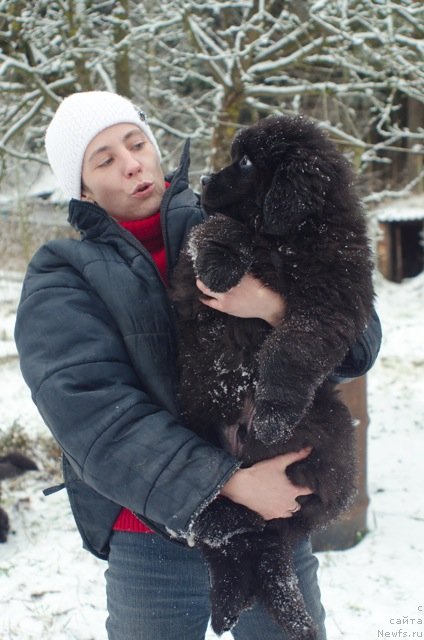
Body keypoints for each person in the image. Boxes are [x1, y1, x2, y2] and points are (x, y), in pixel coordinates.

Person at [14, 91, 381, 640]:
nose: (132, 163)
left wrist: (275, 308)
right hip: (151, 534)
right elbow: (91, 415)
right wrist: (227, 485)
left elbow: (358, 340)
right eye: (105, 159)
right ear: (83, 188)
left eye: (136, 143)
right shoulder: (63, 275)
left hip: (273, 514)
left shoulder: (240, 217)